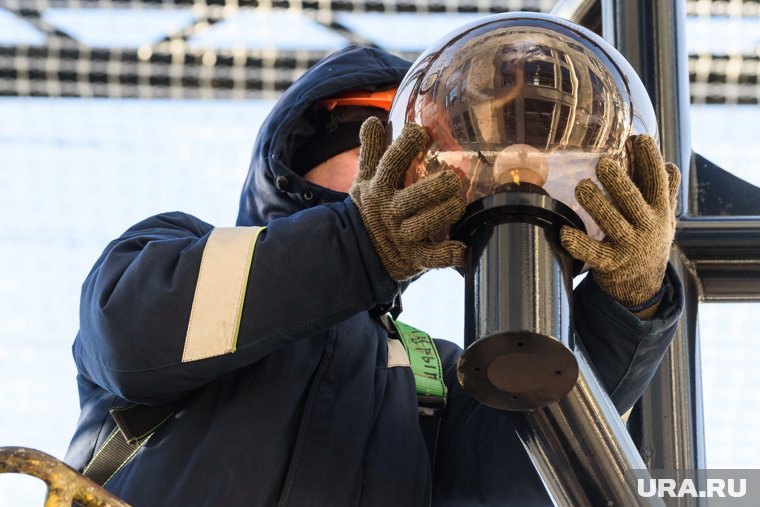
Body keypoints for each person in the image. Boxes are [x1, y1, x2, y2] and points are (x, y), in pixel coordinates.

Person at [64, 45, 683, 506]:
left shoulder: (433, 372)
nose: (411, 163)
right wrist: (359, 243)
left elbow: (515, 476)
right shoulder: (170, 249)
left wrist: (625, 311)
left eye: (437, 150)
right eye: (382, 137)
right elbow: (134, 332)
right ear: (302, 149)